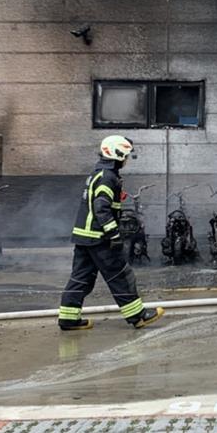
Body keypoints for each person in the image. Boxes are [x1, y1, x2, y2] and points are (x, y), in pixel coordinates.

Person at [58, 136, 164, 331]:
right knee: (121, 275)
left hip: (84, 237)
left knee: (81, 278)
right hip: (99, 238)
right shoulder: (108, 176)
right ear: (117, 154)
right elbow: (101, 207)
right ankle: (137, 316)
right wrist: (113, 234)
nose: (127, 160)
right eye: (126, 155)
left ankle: (68, 318)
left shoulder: (98, 174)